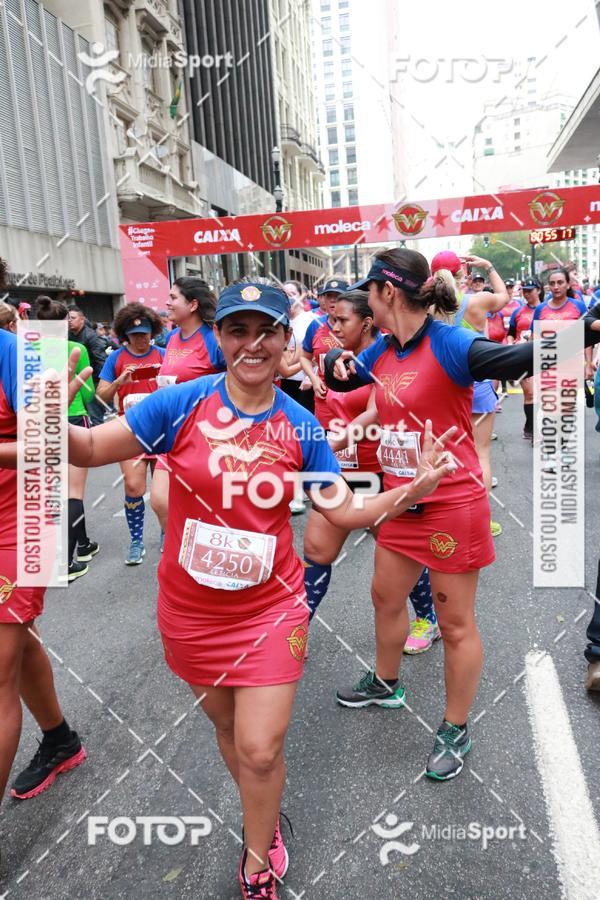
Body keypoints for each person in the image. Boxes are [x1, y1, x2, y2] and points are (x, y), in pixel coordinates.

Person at [67, 281, 456, 899]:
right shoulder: (179, 404)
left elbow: (345, 509)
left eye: (266, 331)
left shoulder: (298, 425)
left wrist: (411, 490)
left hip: (271, 610)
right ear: (219, 337)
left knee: (258, 744)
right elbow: (89, 445)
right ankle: (264, 816)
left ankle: (256, 859)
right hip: (190, 613)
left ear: (284, 340)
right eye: (238, 331)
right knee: (229, 733)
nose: (252, 344)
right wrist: (36, 434)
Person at [324, 248, 600, 781]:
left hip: (451, 505)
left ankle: (455, 727)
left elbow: (519, 357)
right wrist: (337, 371)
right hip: (402, 501)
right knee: (384, 595)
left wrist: (587, 331)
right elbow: (347, 379)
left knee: (454, 624)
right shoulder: (382, 349)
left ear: (388, 293)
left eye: (368, 293)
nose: (361, 302)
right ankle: (386, 682)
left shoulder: (451, 343)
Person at [303, 290, 439, 654]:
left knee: (400, 557)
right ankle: (294, 632)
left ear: (366, 323)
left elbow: (373, 414)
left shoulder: (382, 358)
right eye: (331, 319)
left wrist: (329, 443)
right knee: (317, 551)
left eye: (341, 320)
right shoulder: (334, 359)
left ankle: (428, 618)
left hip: (379, 474)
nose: (333, 327)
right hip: (336, 472)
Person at [0, 256, 86, 815]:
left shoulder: (26, 350)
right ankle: (59, 740)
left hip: (21, 518)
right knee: (15, 642)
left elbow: (53, 443)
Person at [430, 250, 508, 537]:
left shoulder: (426, 305)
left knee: (445, 454)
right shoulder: (476, 302)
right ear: (462, 274)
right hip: (478, 385)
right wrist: (488, 266)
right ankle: (481, 522)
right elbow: (504, 297)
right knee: (481, 454)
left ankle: (446, 517)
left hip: (443, 387)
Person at [150, 278, 226, 536]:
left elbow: (236, 382)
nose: (167, 303)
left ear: (193, 304)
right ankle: (180, 551)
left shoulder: (213, 338)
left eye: (173, 298)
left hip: (207, 436)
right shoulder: (171, 338)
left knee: (208, 507)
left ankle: (200, 557)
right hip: (171, 433)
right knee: (160, 500)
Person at [33, 296, 99, 582]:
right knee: (73, 492)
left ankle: (82, 545)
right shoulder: (77, 348)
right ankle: (67, 562)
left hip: (40, 423)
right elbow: (87, 393)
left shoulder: (26, 350)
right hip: (74, 418)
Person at [96, 304, 165, 565]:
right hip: (130, 431)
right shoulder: (116, 358)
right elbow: (100, 396)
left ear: (153, 332)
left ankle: (165, 533)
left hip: (161, 431)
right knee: (134, 486)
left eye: (145, 334)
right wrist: (118, 383)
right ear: (125, 335)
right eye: (135, 335)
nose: (141, 339)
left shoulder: (164, 354)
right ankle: (136, 541)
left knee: (162, 493)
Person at [300, 278, 349, 429]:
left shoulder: (358, 324)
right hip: (324, 398)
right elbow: (304, 357)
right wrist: (314, 379)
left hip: (352, 398)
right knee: (328, 445)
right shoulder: (315, 325)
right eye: (329, 296)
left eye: (338, 296)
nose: (333, 300)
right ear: (322, 299)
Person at [507, 278, 542, 440]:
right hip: (524, 356)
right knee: (529, 393)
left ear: (539, 290)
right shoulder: (518, 312)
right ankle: (531, 427)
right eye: (524, 291)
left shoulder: (546, 309)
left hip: (546, 356)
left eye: (530, 290)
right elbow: (511, 334)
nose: (527, 293)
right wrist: (511, 345)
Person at [67, 306, 108, 426]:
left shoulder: (91, 336)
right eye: (68, 318)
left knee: (96, 419)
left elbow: (101, 360)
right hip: (74, 382)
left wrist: (102, 384)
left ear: (82, 319)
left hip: (91, 381)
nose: (70, 321)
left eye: (73, 318)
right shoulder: (68, 335)